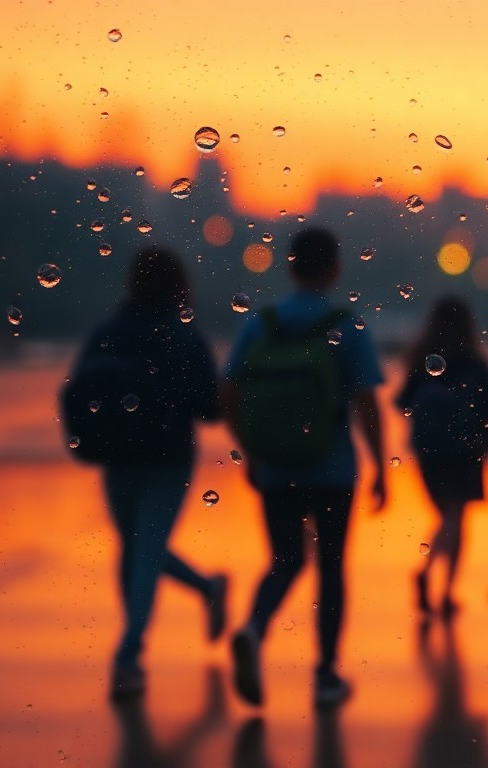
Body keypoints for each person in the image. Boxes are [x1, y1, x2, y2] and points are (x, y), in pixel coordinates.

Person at [223, 227, 387, 708]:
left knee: (285, 560)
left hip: (276, 468)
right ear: (334, 268)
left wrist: (251, 450)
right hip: (332, 469)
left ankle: (254, 629)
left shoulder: (261, 324)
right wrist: (382, 466)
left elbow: (229, 392)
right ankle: (326, 675)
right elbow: (366, 403)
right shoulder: (347, 325)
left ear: (290, 266)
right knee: (331, 567)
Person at [69, 246, 228, 699]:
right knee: (146, 550)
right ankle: (202, 592)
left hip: (116, 455)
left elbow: (79, 389)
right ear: (180, 285)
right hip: (168, 458)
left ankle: (129, 653)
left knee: (138, 549)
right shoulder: (184, 337)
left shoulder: (108, 332)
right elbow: (209, 408)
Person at [395, 296, 488, 618]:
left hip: (428, 449)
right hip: (467, 449)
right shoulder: (475, 362)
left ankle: (433, 578)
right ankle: (444, 589)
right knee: (456, 517)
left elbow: (403, 401)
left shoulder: (422, 359)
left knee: (447, 515)